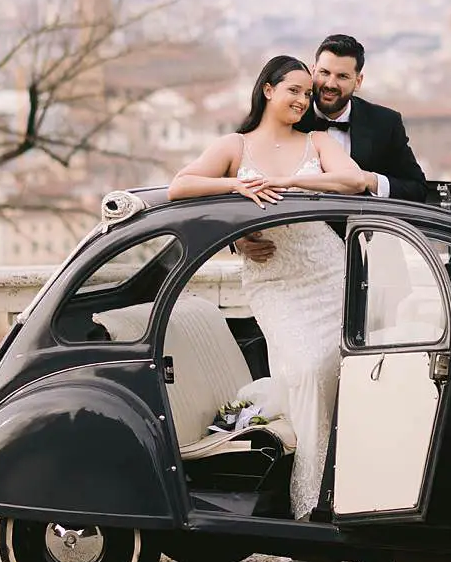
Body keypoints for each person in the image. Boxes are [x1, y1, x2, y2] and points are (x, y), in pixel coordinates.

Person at [167, 55, 368, 520]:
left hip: (328, 272)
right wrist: (235, 188)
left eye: (307, 93)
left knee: (347, 370)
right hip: (273, 280)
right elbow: (181, 186)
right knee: (307, 368)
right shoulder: (234, 146)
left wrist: (290, 180)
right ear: (268, 90)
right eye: (293, 90)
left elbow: (355, 180)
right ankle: (310, 501)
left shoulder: (317, 141)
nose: (302, 99)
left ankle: (347, 489)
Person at [239, 33, 427, 265]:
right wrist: (239, 240)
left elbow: (416, 189)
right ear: (313, 71)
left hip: (370, 256)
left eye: (342, 76)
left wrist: (370, 180)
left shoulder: (384, 123)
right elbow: (241, 174)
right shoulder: (287, 114)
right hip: (293, 257)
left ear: (358, 81)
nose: (330, 84)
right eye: (324, 73)